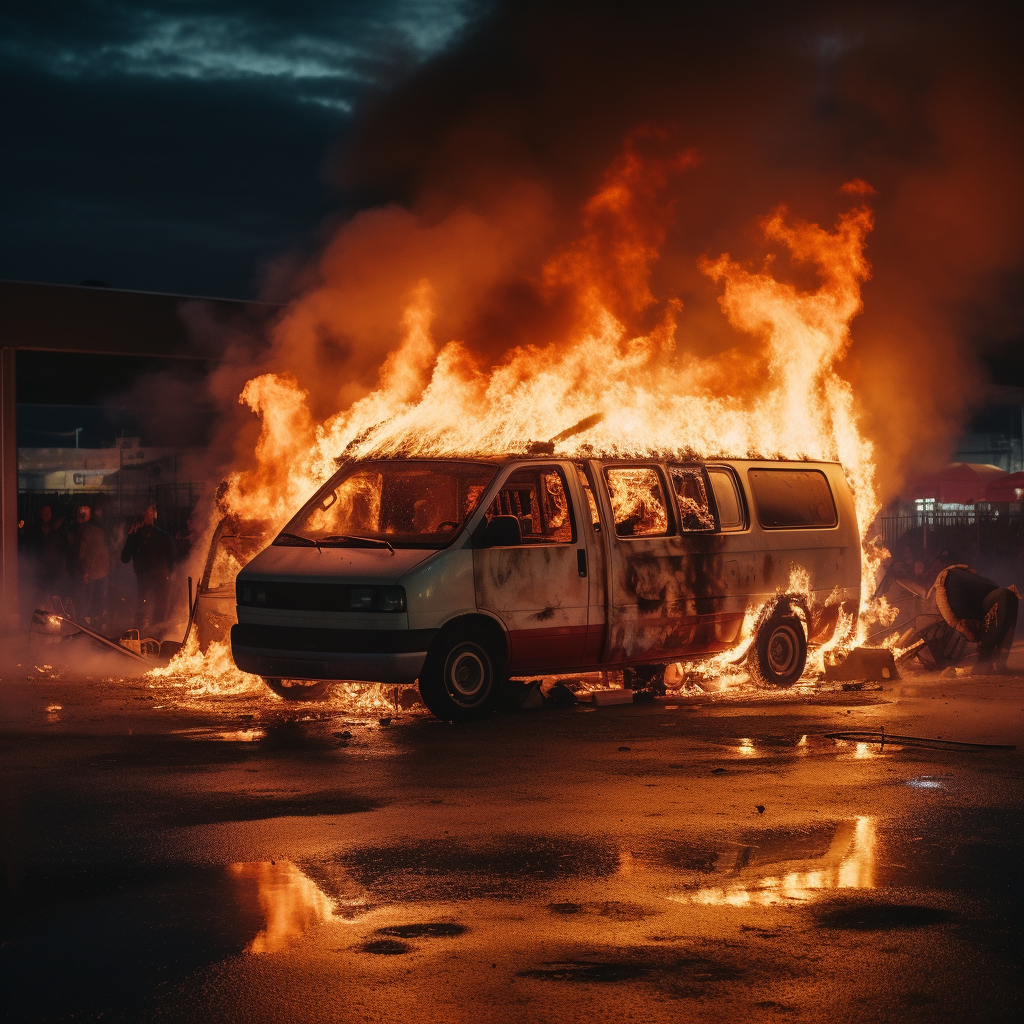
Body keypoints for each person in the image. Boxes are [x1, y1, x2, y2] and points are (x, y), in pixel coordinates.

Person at [932, 565, 1020, 673]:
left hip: (971, 614)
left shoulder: (953, 589)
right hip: (971, 613)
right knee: (1005, 596)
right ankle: (989, 660)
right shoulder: (954, 583)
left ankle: (992, 660)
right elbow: (991, 587)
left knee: (1006, 596)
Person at [120, 504, 175, 628]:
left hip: (160, 576)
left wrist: (170, 572)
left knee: (159, 605)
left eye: (148, 514)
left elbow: (170, 556)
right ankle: (141, 630)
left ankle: (157, 630)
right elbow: (124, 558)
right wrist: (131, 537)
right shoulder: (136, 536)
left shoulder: (162, 536)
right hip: (145, 576)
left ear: (154, 515)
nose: (146, 517)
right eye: (144, 514)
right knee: (143, 605)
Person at [66, 504, 110, 629]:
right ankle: (82, 624)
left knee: (83, 600)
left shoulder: (83, 530)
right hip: (89, 572)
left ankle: (81, 625)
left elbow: (81, 552)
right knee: (84, 600)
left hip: (87, 572)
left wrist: (84, 571)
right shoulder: (91, 529)